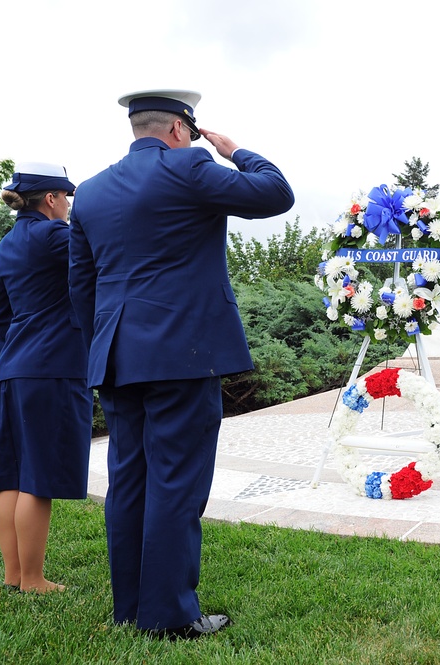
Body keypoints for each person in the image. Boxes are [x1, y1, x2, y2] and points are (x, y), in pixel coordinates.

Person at [68, 89, 294, 639]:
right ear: (178, 129)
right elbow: (276, 194)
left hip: (117, 356)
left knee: (129, 482)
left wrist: (105, 342)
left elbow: (81, 285)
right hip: (181, 354)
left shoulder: (91, 192)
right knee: (176, 483)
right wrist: (236, 151)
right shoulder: (190, 166)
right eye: (190, 133)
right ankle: (168, 616)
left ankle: (130, 608)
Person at [0, 163, 92, 594]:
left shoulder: (6, 245)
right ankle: (33, 580)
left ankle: (13, 574)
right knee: (38, 479)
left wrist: (16, 354)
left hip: (13, 370)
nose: (68, 206)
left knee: (10, 474)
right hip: (52, 369)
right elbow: (98, 263)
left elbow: (0, 318)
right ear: (51, 199)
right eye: (66, 198)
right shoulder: (55, 236)